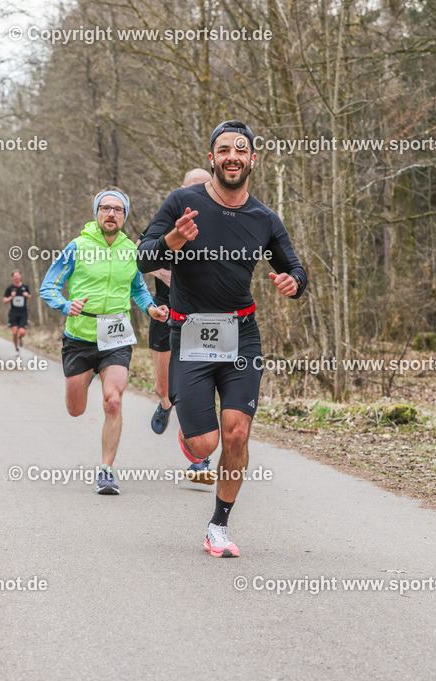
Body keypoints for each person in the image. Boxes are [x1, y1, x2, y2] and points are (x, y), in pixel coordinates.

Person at [138, 121, 307, 557]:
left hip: (241, 334)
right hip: (190, 331)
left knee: (236, 433)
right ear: (212, 159)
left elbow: (295, 266)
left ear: (253, 160)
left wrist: (293, 282)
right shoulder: (183, 202)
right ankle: (188, 427)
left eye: (241, 149)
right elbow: (143, 256)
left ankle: (218, 526)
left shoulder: (263, 218)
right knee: (204, 444)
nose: (233, 155)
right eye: (224, 149)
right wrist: (173, 239)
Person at [41, 187, 169, 495]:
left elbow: (137, 288)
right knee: (75, 408)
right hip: (80, 336)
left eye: (118, 210)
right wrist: (64, 305)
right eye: (105, 208)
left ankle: (106, 471)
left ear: (124, 216)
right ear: (97, 213)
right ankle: (80, 385)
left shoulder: (131, 251)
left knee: (113, 400)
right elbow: (48, 287)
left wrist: (151, 307)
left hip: (116, 335)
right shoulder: (77, 246)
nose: (111, 214)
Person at [149, 168, 213, 437]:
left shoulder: (218, 222)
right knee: (164, 387)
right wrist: (162, 273)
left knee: (196, 392)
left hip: (201, 318)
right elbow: (138, 252)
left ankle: (199, 457)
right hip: (165, 311)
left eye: (204, 187)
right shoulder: (168, 217)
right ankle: (165, 403)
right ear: (182, 190)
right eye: (192, 188)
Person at [3, 270, 31, 354]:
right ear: (12, 277)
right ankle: (16, 348)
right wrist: (11, 297)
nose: (17, 277)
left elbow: (29, 296)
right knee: (14, 332)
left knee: (22, 332)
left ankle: (20, 338)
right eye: (15, 276)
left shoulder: (25, 287)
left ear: (20, 276)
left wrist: (27, 295)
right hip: (13, 313)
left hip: (23, 313)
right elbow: (4, 301)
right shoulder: (10, 288)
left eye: (18, 275)